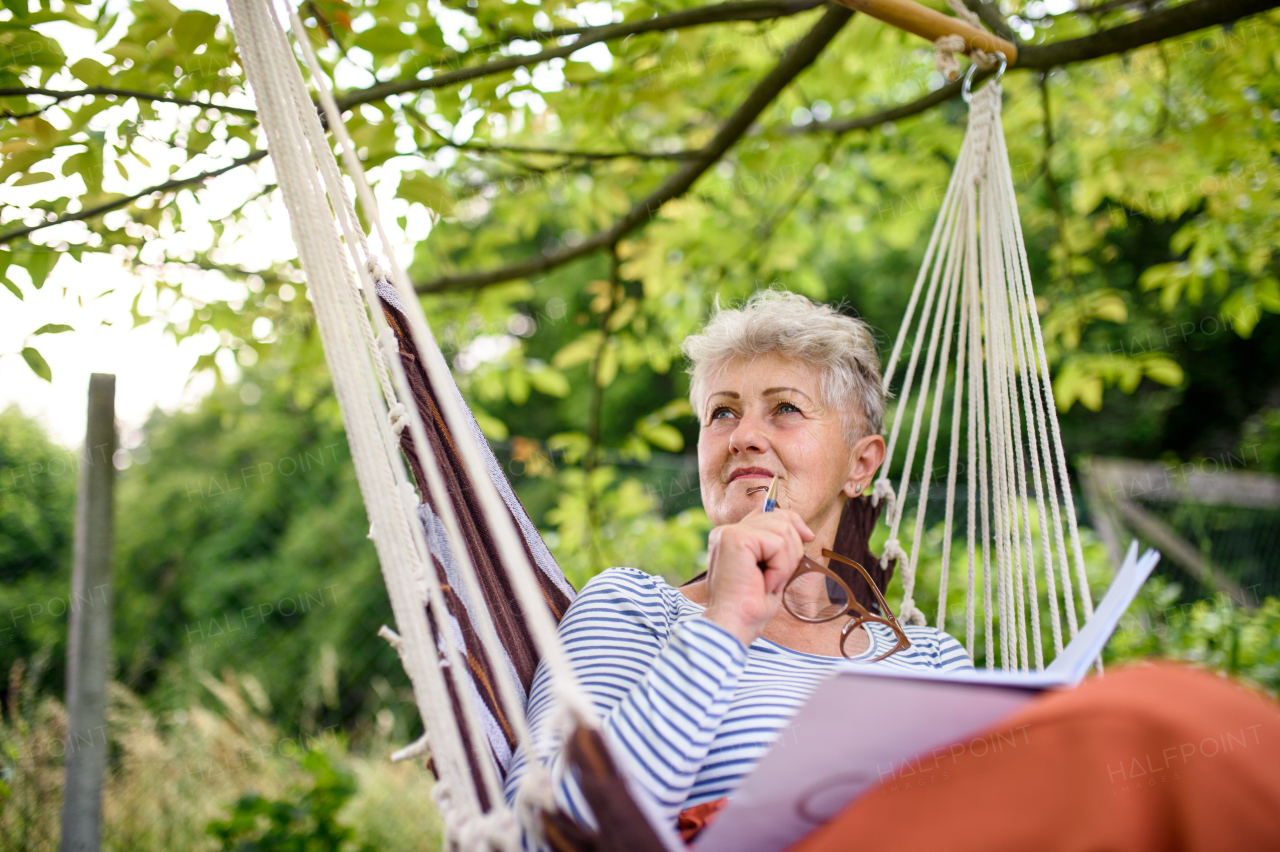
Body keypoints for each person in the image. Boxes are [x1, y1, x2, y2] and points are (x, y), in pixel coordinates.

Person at [503, 290, 972, 836]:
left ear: (861, 464)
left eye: (786, 409)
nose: (744, 437)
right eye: (722, 412)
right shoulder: (635, 610)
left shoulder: (931, 660)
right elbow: (539, 834)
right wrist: (724, 625)